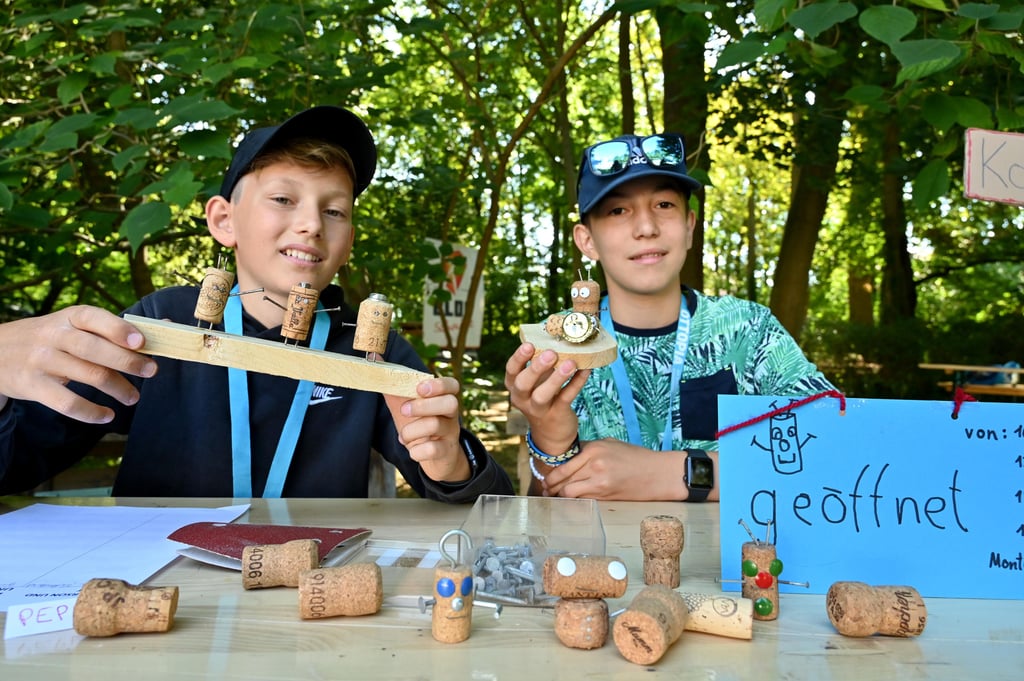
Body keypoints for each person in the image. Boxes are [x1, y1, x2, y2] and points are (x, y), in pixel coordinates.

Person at [0, 105, 513, 501]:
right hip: (158, 588)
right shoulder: (156, 324)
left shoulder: (369, 347)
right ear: (224, 221)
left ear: (348, 239)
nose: (312, 224)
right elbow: (15, 465)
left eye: (335, 210)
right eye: (283, 199)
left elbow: (488, 503)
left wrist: (452, 464)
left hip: (311, 594)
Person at [505, 132, 835, 501]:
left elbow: (839, 451)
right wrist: (551, 440)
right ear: (587, 241)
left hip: (735, 558)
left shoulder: (748, 330)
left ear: (690, 226)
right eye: (617, 210)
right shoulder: (560, 345)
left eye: (663, 204)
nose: (646, 227)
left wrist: (673, 473)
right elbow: (544, 507)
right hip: (599, 558)